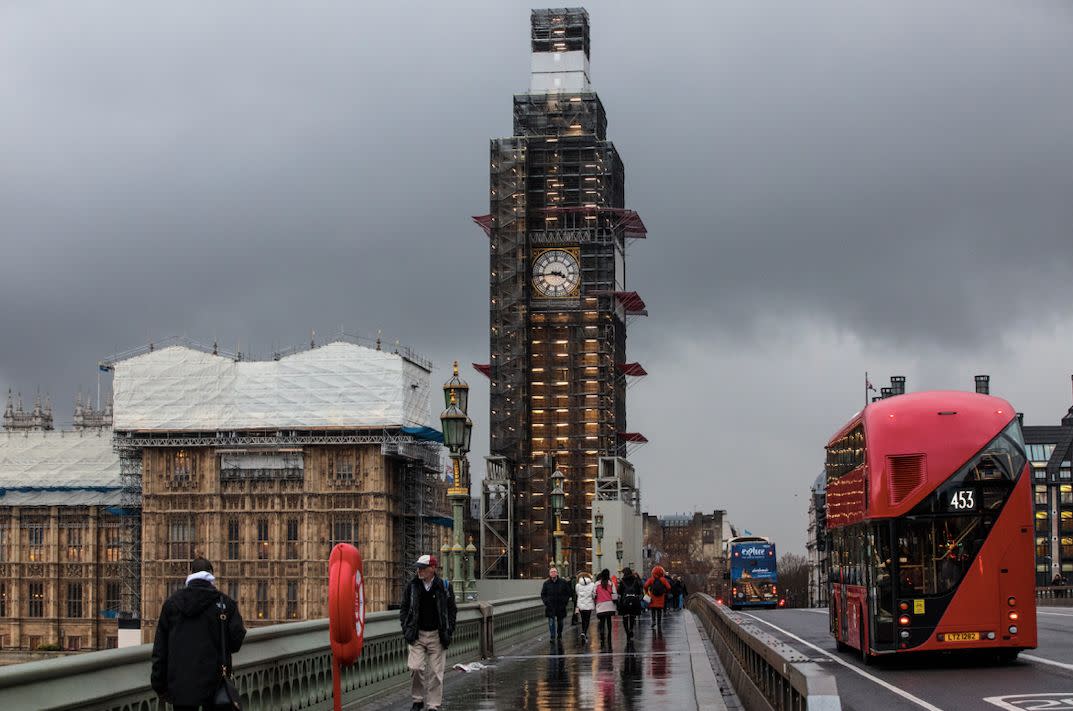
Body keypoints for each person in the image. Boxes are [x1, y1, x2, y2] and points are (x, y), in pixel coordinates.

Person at [151, 557, 246, 711]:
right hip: (215, 684)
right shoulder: (225, 604)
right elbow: (236, 640)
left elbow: (160, 650)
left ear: (190, 574)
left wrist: (159, 684)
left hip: (180, 684)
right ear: (211, 575)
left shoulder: (171, 604)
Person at [399, 554, 457, 711]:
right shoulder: (412, 586)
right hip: (417, 634)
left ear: (433, 568)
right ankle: (417, 700)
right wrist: (406, 629)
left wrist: (448, 630)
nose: (419, 571)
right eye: (418, 568)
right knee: (415, 667)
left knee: (436, 674)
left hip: (437, 635)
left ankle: (433, 705)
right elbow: (404, 608)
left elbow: (452, 610)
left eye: (423, 568)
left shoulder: (444, 586)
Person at [541, 566, 571, 642]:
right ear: (549, 574)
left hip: (560, 606)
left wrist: (565, 602)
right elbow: (543, 594)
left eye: (554, 571)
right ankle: (552, 636)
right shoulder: (546, 583)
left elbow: (568, 593)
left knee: (560, 622)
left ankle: (559, 634)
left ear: (557, 573)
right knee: (551, 622)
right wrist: (546, 602)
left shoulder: (563, 582)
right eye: (551, 572)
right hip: (550, 606)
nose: (553, 573)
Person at [617, 567, 644, 644]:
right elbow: (639, 591)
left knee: (625, 618)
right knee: (632, 616)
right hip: (634, 601)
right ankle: (631, 628)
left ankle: (627, 633)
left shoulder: (622, 581)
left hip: (625, 601)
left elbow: (619, 592)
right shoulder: (635, 580)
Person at [594, 568, 618, 649]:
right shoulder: (611, 583)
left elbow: (593, 594)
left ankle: (602, 635)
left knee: (602, 622)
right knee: (609, 621)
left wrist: (596, 600)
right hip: (609, 605)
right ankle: (609, 635)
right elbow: (614, 595)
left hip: (600, 606)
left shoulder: (597, 584)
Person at [645, 565, 672, 631]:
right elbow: (669, 587)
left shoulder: (651, 579)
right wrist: (665, 592)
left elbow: (645, 586)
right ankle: (659, 623)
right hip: (661, 597)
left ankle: (653, 621)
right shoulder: (663, 579)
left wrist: (647, 593)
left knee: (653, 610)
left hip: (653, 597)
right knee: (659, 610)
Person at [574, 571, 596, 643]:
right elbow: (593, 595)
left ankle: (584, 632)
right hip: (589, 604)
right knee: (587, 619)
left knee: (583, 619)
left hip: (581, 604)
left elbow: (577, 594)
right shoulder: (592, 584)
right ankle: (584, 632)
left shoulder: (577, 585)